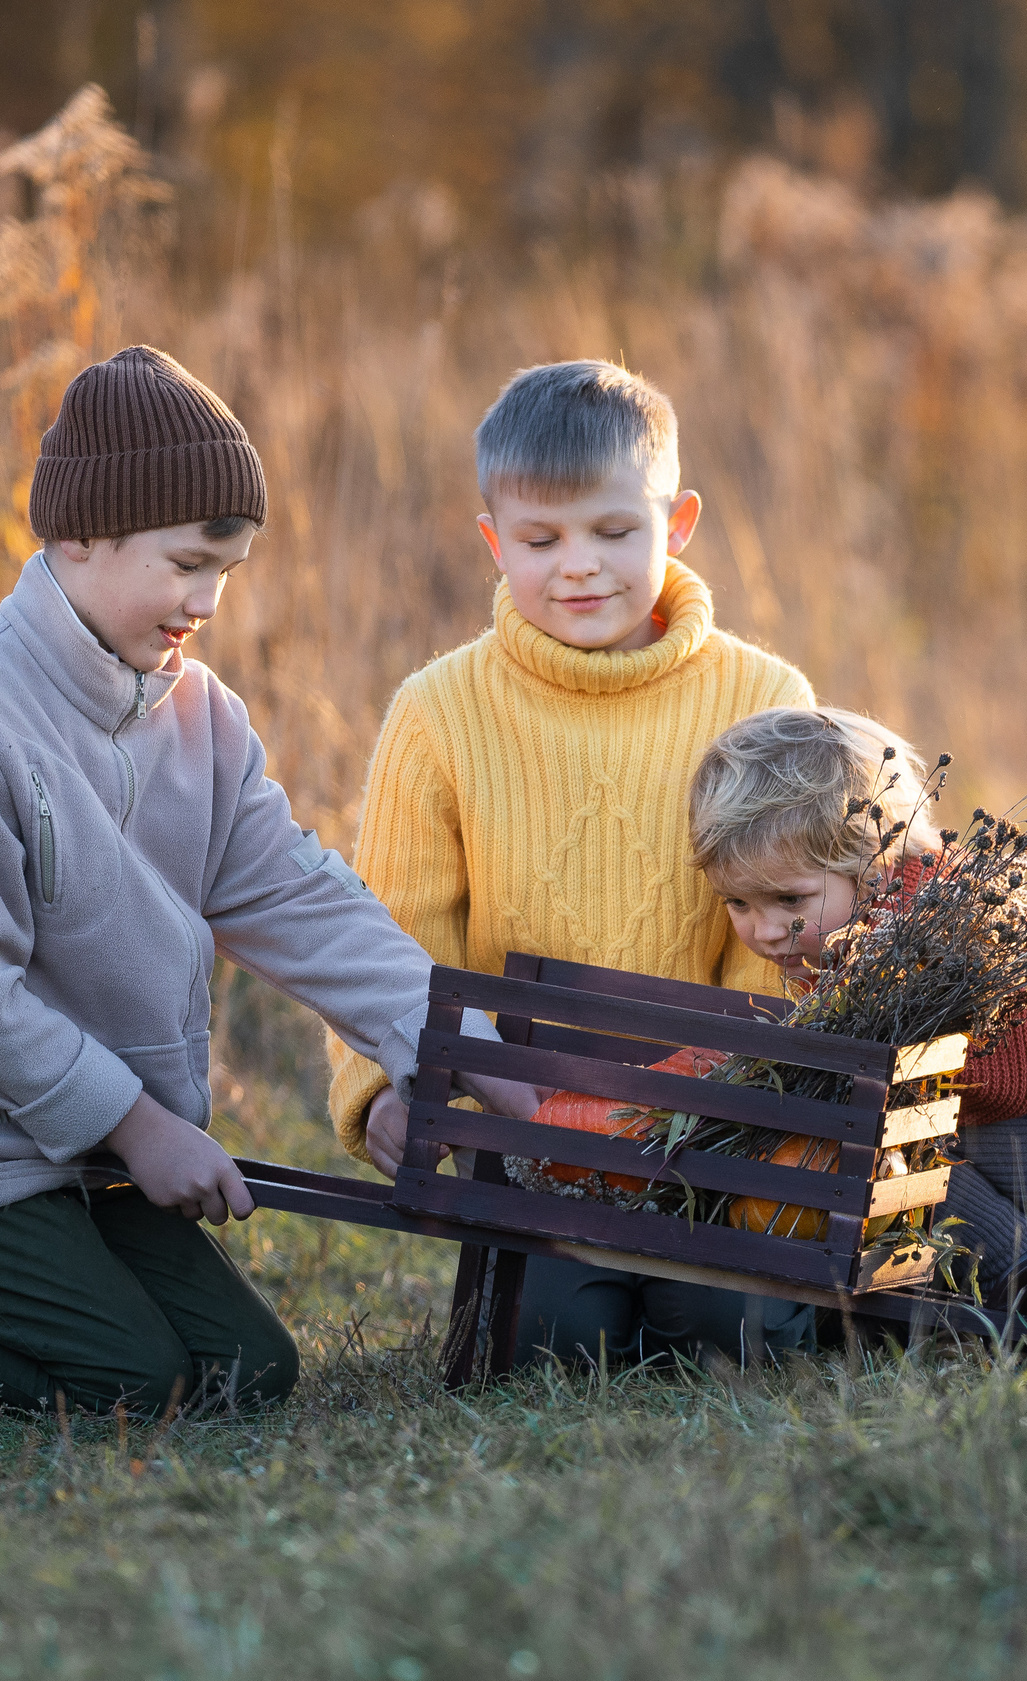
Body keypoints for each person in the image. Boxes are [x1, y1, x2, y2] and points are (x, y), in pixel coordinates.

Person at [0, 346, 533, 1414]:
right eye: (188, 562)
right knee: (134, 1384)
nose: (208, 601)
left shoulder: (203, 719)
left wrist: (456, 1042)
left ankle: (19, 1262)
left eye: (227, 570)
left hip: (72, 1156)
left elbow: (299, 898)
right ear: (81, 535)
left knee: (250, 1371)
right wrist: (141, 1126)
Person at [325, 359, 819, 1367]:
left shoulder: (763, 698)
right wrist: (380, 1084)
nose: (580, 567)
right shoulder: (439, 713)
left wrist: (737, 1103)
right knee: (549, 1346)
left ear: (676, 523)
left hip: (714, 1126)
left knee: (726, 1338)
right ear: (493, 540)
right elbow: (395, 929)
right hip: (530, 1127)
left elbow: (776, 934)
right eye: (541, 541)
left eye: (614, 531)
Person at [688, 707, 1027, 1276]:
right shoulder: (852, 925)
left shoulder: (940, 925)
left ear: (872, 862)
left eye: (790, 900)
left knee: (872, 1141)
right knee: (861, 1135)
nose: (764, 931)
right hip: (1020, 1144)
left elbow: (1014, 1083)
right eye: (738, 902)